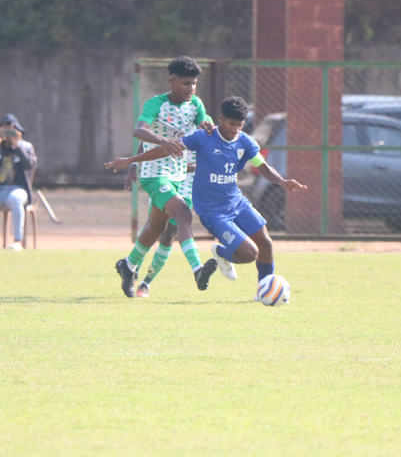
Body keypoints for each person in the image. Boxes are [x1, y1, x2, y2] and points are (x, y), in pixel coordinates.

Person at [106, 96, 307, 288]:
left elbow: (262, 167)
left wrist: (282, 181)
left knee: (266, 243)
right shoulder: (203, 138)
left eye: (239, 125)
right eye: (231, 124)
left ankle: (266, 290)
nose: (234, 129)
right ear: (220, 119)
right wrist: (132, 160)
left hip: (238, 203)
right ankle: (221, 252)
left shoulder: (245, 142)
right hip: (213, 213)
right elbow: (166, 149)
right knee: (249, 253)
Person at [114, 56, 216, 298]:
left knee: (156, 228)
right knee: (182, 213)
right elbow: (139, 130)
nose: (190, 88)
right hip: (155, 173)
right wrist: (160, 142)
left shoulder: (195, 105)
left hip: (181, 175)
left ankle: (127, 267)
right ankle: (198, 270)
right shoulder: (156, 103)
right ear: (172, 81)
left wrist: (209, 128)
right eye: (185, 83)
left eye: (194, 83)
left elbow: (205, 124)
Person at [124, 150, 197, 298]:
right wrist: (133, 166)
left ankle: (146, 282)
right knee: (153, 229)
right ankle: (132, 271)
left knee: (168, 236)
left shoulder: (205, 131)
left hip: (185, 188)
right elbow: (145, 143)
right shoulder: (171, 127)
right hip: (164, 181)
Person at [0, 114, 37, 251]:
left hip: (17, 189)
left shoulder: (26, 146)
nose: (8, 135)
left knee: (16, 199)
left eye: (11, 131)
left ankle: (18, 241)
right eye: (5, 131)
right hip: (1, 188)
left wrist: (17, 146)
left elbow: (29, 165)